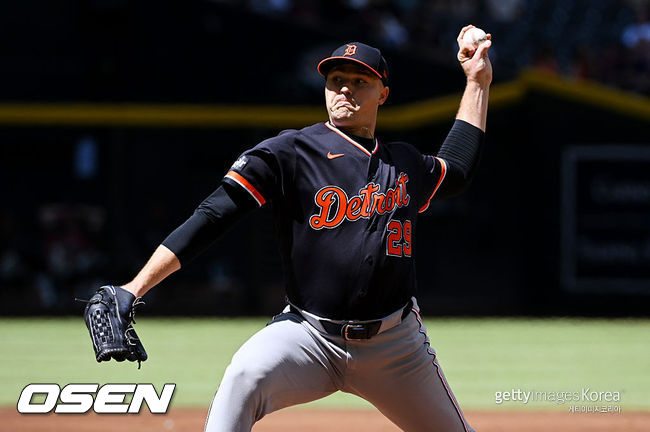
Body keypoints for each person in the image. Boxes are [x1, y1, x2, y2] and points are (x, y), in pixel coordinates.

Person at [118, 25, 491, 432]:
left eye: (360, 81)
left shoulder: (403, 162)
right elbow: (213, 215)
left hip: (395, 346)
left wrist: (477, 81)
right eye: (336, 80)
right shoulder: (290, 152)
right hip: (308, 334)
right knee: (242, 377)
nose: (345, 88)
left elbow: (457, 169)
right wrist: (135, 287)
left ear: (383, 94)